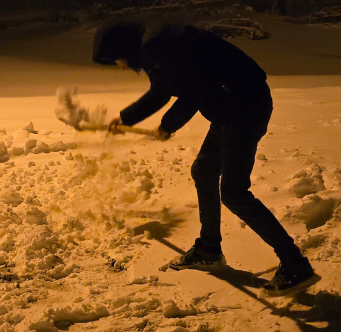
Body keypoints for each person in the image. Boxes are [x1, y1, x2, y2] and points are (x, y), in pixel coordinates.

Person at [92, 20, 319, 295]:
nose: (120, 66)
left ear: (123, 48)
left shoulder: (160, 45)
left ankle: (295, 264)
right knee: (203, 171)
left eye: (116, 59)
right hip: (230, 108)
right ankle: (209, 249)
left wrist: (168, 125)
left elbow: (196, 91)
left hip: (244, 107)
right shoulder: (155, 48)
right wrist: (126, 118)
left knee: (234, 193)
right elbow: (162, 90)